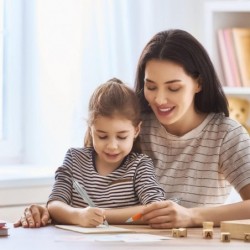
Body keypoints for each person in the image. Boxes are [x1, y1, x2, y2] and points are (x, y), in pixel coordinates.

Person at [14, 29, 250, 229]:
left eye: (174, 88)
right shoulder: (133, 124)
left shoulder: (225, 134)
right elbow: (88, 185)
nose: (159, 99)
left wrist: (192, 216)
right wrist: (48, 210)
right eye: (151, 86)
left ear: (198, 83)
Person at [15, 78, 166, 228]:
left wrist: (102, 215)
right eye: (102, 136)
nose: (112, 146)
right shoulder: (75, 159)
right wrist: (78, 216)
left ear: (136, 130)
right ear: (90, 129)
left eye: (121, 137)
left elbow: (156, 208)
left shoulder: (139, 165)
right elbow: (55, 204)